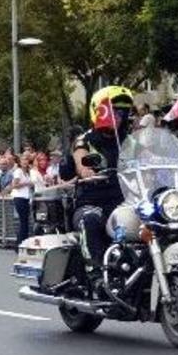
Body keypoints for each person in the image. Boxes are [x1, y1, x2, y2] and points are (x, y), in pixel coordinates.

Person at [72, 85, 133, 281]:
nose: (119, 115)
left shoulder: (130, 141)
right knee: (90, 220)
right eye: (114, 110)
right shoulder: (84, 140)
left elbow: (149, 159)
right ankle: (95, 272)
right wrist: (86, 171)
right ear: (99, 110)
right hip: (92, 200)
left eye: (122, 112)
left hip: (123, 202)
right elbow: (80, 160)